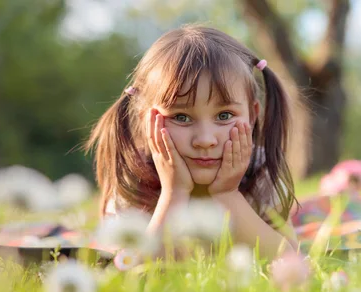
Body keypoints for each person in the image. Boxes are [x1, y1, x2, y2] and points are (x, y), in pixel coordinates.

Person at [84, 24, 298, 259]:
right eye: (181, 117)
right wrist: (174, 193)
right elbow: (131, 274)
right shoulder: (133, 179)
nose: (205, 140)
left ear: (252, 115)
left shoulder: (261, 172)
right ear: (146, 120)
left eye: (224, 116)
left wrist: (227, 194)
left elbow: (290, 261)